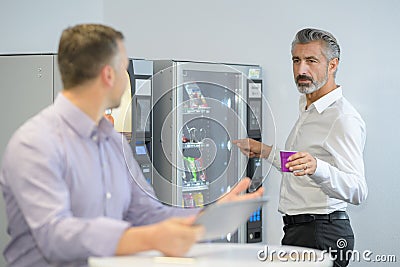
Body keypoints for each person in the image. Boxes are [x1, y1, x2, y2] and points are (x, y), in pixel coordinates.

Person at [0, 24, 264, 267]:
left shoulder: (113, 143)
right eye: (124, 66)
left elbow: (148, 213)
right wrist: (149, 238)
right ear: (108, 75)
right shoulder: (35, 143)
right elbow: (56, 236)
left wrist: (209, 215)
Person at [234, 28, 367, 267]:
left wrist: (317, 167)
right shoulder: (308, 107)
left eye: (311, 61)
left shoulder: (342, 118)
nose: (301, 70)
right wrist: (264, 151)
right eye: (296, 60)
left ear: (332, 65)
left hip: (322, 234)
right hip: (300, 231)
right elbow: (299, 164)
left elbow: (358, 190)